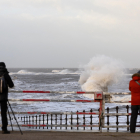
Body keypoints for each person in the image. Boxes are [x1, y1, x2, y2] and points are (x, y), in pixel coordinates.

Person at [0, 62, 14, 134]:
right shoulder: (5, 74)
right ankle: (4, 129)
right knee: (3, 113)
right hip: (3, 98)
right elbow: (11, 85)